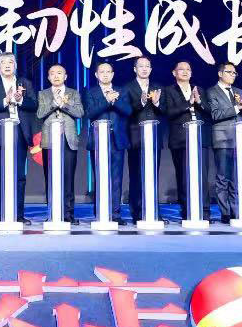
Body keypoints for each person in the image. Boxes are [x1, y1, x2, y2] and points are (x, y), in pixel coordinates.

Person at [0, 52, 36, 225]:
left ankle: (18, 214)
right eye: (3, 62)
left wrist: (20, 100)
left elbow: (34, 104)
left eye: (10, 62)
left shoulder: (25, 83)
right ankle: (0, 215)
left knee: (19, 176)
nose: (7, 65)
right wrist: (5, 101)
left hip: (19, 133)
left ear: (15, 66)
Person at [81, 61, 133, 223]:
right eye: (102, 72)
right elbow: (90, 113)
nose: (105, 74)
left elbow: (128, 111)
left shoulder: (121, 91)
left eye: (108, 72)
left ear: (112, 74)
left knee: (116, 178)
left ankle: (115, 214)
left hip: (117, 140)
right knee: (100, 177)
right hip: (98, 140)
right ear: (96, 75)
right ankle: (101, 213)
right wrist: (106, 100)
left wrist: (114, 100)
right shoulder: (90, 92)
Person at [204, 62, 242, 223]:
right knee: (223, 177)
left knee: (236, 177)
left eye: (234, 73)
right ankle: (225, 212)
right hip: (222, 138)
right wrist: (237, 107)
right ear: (220, 74)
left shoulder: (239, 91)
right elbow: (216, 114)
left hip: (239, 138)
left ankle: (236, 210)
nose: (232, 75)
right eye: (229, 72)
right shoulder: (211, 91)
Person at [36, 64, 85, 223]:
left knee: (68, 178)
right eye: (52, 73)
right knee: (50, 177)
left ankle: (68, 215)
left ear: (65, 76)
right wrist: (54, 104)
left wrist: (64, 104)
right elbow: (39, 114)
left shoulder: (73, 93)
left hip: (68, 139)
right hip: (50, 140)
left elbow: (80, 113)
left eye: (59, 73)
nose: (56, 76)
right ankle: (52, 213)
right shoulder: (43, 94)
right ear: (48, 77)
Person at [161, 61, 207, 221]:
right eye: (181, 69)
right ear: (174, 73)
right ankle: (187, 210)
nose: (185, 72)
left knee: (201, 175)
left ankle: (204, 211)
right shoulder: (168, 90)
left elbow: (208, 111)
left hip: (198, 137)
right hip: (180, 139)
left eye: (188, 69)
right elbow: (169, 112)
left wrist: (199, 102)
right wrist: (188, 103)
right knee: (183, 176)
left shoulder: (199, 90)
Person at [121, 56, 163, 220]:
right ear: (135, 69)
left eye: (147, 66)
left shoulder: (158, 87)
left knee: (153, 174)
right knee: (136, 175)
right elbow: (126, 110)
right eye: (141, 66)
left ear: (151, 69)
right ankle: (137, 212)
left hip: (154, 136)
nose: (144, 69)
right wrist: (141, 101)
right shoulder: (127, 87)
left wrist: (157, 103)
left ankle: (153, 211)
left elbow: (165, 110)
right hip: (136, 137)